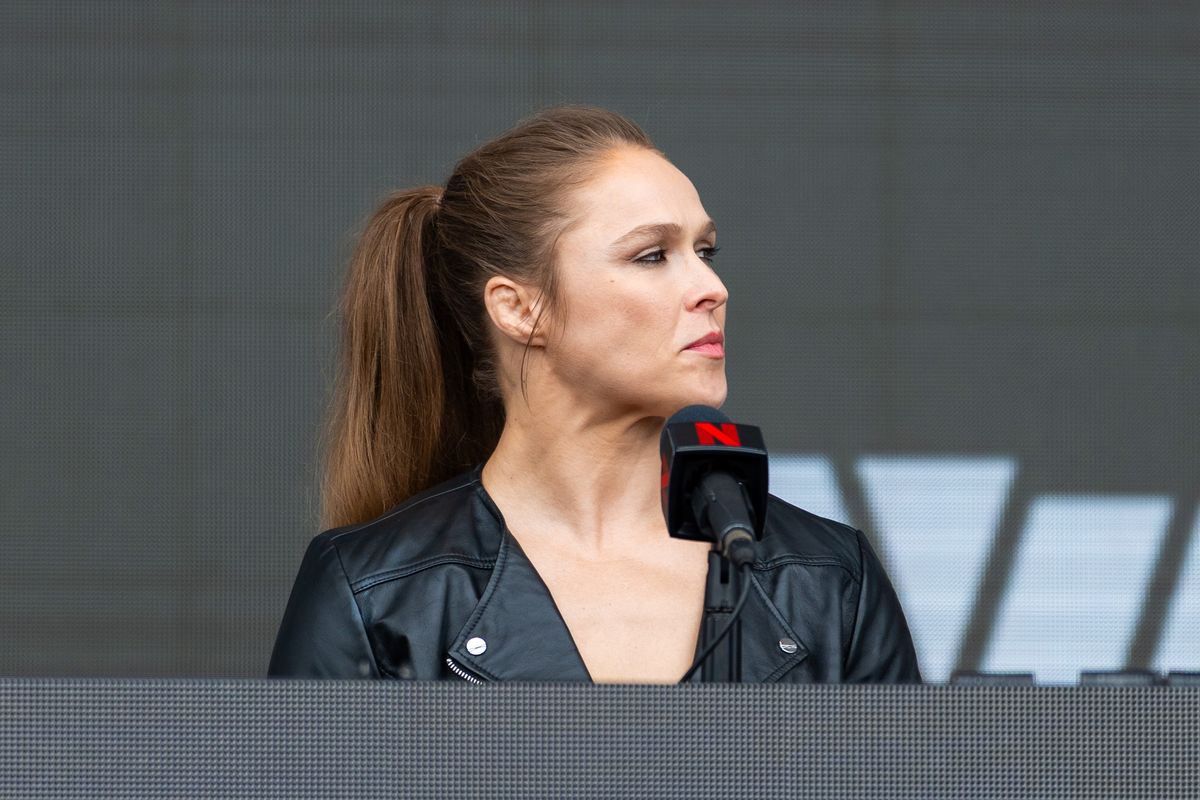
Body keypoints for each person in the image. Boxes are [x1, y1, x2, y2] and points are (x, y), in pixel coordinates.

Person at [268, 105, 920, 683]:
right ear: (521, 309)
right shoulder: (373, 591)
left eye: (705, 251)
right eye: (652, 255)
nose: (711, 289)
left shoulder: (829, 582)